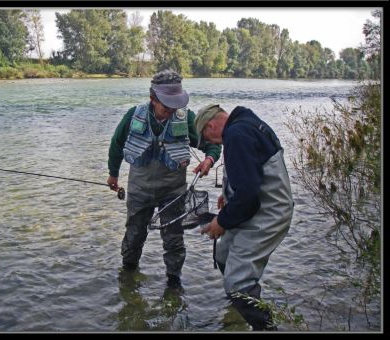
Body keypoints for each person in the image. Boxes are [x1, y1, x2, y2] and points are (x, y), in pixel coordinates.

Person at [107, 70, 222, 289]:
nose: (171, 111)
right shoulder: (134, 115)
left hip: (173, 193)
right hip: (139, 191)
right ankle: (129, 277)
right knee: (133, 236)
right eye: (166, 106)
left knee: (174, 240)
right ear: (153, 98)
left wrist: (209, 159)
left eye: (175, 105)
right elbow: (116, 144)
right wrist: (113, 174)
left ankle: (173, 282)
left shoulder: (185, 118)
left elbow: (213, 143)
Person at [195, 104, 294, 331]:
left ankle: (266, 327)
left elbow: (249, 196)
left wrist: (220, 222)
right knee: (223, 253)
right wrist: (229, 194)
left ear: (210, 126)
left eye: (208, 138)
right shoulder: (244, 124)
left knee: (238, 283)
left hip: (269, 214)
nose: (213, 144)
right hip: (255, 207)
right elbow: (251, 173)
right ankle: (239, 308)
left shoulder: (236, 134)